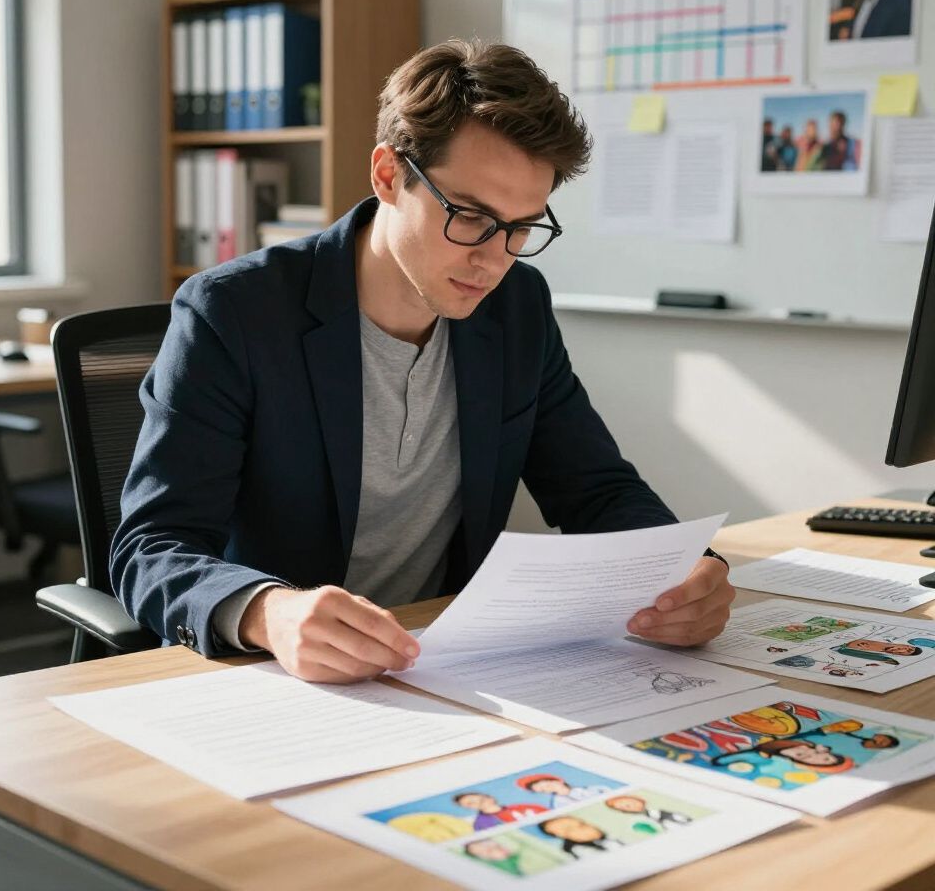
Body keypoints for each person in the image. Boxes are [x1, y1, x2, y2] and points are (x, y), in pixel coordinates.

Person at [111, 39, 734, 683]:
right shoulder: (235, 312)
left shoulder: (516, 306)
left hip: (444, 668)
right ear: (387, 175)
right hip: (276, 679)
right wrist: (268, 613)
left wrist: (683, 568)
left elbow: (597, 489)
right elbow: (151, 549)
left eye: (522, 227)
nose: (496, 261)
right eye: (470, 216)